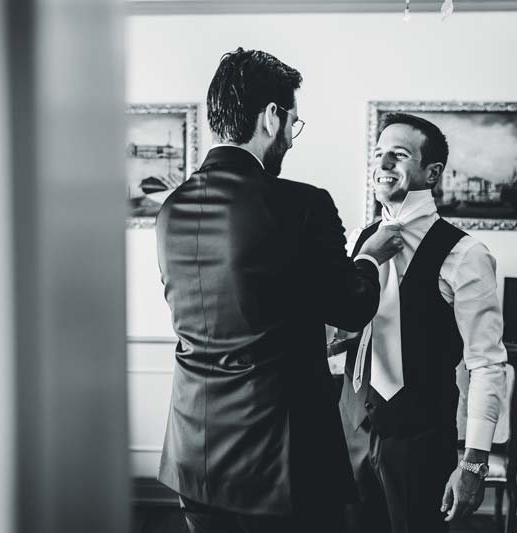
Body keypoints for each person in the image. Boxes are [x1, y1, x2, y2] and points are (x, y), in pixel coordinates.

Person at [155, 48, 402, 533]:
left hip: (193, 449)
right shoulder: (302, 205)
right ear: (271, 117)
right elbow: (351, 307)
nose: (291, 137)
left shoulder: (172, 209)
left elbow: (239, 302)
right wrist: (371, 256)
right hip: (279, 459)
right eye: (294, 122)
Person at [339, 113, 508, 533]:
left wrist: (474, 462)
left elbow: (486, 364)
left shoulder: (466, 254)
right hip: (350, 431)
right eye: (378, 154)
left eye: (398, 155)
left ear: (431, 172)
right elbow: (342, 328)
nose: (383, 164)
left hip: (419, 441)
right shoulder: (361, 240)